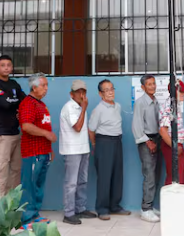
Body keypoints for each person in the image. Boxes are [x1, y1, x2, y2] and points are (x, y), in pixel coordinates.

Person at [88, 79, 130, 221]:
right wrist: (95, 144)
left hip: (117, 141)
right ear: (101, 94)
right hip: (103, 142)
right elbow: (91, 129)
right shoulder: (98, 109)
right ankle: (102, 209)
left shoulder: (117, 106)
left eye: (112, 89)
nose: (110, 92)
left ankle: (115, 206)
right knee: (104, 176)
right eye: (106, 90)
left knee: (117, 175)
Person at [18, 74, 56, 228]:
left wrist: (49, 149)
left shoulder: (41, 104)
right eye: (43, 85)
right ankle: (25, 219)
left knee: (38, 186)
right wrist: (46, 134)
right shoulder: (28, 103)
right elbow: (26, 126)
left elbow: (44, 125)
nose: (46, 88)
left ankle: (34, 215)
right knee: (29, 185)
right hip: (32, 152)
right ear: (34, 87)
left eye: (47, 85)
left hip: (43, 152)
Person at [59, 80, 96, 225]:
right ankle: (69, 213)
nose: (81, 95)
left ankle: (80, 209)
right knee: (71, 183)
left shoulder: (80, 107)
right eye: (78, 92)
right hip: (72, 150)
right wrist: (84, 108)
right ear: (71, 94)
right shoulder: (69, 107)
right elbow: (78, 127)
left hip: (83, 149)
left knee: (82, 181)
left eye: (84, 92)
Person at [0, 55, 23, 196]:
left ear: (12, 67)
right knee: (0, 173)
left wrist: (18, 105)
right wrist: (16, 103)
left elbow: (24, 101)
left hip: (15, 133)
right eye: (3, 65)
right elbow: (5, 103)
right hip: (0, 135)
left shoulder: (14, 84)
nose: (6, 68)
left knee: (15, 172)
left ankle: (10, 205)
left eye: (9, 65)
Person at [131, 75, 161, 223]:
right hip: (146, 141)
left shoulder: (156, 101)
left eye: (154, 83)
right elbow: (136, 127)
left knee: (156, 174)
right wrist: (149, 142)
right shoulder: (140, 103)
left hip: (157, 138)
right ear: (143, 87)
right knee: (149, 174)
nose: (152, 86)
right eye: (149, 84)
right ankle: (145, 209)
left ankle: (150, 205)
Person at [158, 80, 184, 185]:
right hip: (171, 145)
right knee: (175, 178)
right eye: (181, 91)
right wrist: (175, 147)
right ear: (174, 92)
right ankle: (172, 197)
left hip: (176, 144)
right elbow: (163, 131)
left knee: (180, 175)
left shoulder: (175, 105)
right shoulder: (170, 106)